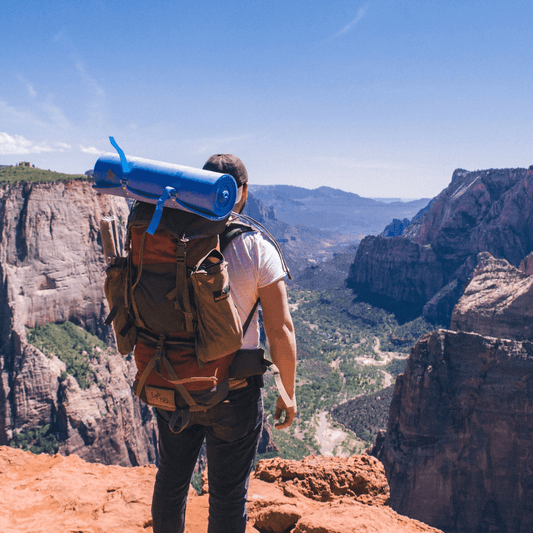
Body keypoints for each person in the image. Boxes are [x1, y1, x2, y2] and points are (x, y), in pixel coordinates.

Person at [151, 154, 297, 533]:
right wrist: (288, 393)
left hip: (174, 380)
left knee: (170, 482)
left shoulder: (165, 238)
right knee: (228, 498)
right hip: (234, 392)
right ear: (241, 193)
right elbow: (281, 329)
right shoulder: (256, 248)